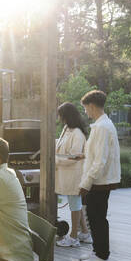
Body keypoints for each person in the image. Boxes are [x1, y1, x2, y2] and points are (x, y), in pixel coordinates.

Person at [78, 90, 121, 261]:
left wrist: (86, 183)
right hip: (99, 181)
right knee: (95, 217)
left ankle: (102, 257)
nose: (85, 112)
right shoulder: (102, 124)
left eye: (86, 108)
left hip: (99, 182)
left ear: (92, 106)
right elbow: (96, 155)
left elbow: (100, 160)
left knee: (97, 218)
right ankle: (98, 252)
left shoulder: (103, 127)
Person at [55, 102, 92, 247]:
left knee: (75, 205)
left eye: (61, 115)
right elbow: (61, 146)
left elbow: (73, 157)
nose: (59, 118)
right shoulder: (66, 129)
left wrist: (55, 160)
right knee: (75, 204)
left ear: (66, 116)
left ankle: (74, 237)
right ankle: (85, 232)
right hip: (66, 175)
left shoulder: (77, 133)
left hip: (74, 175)